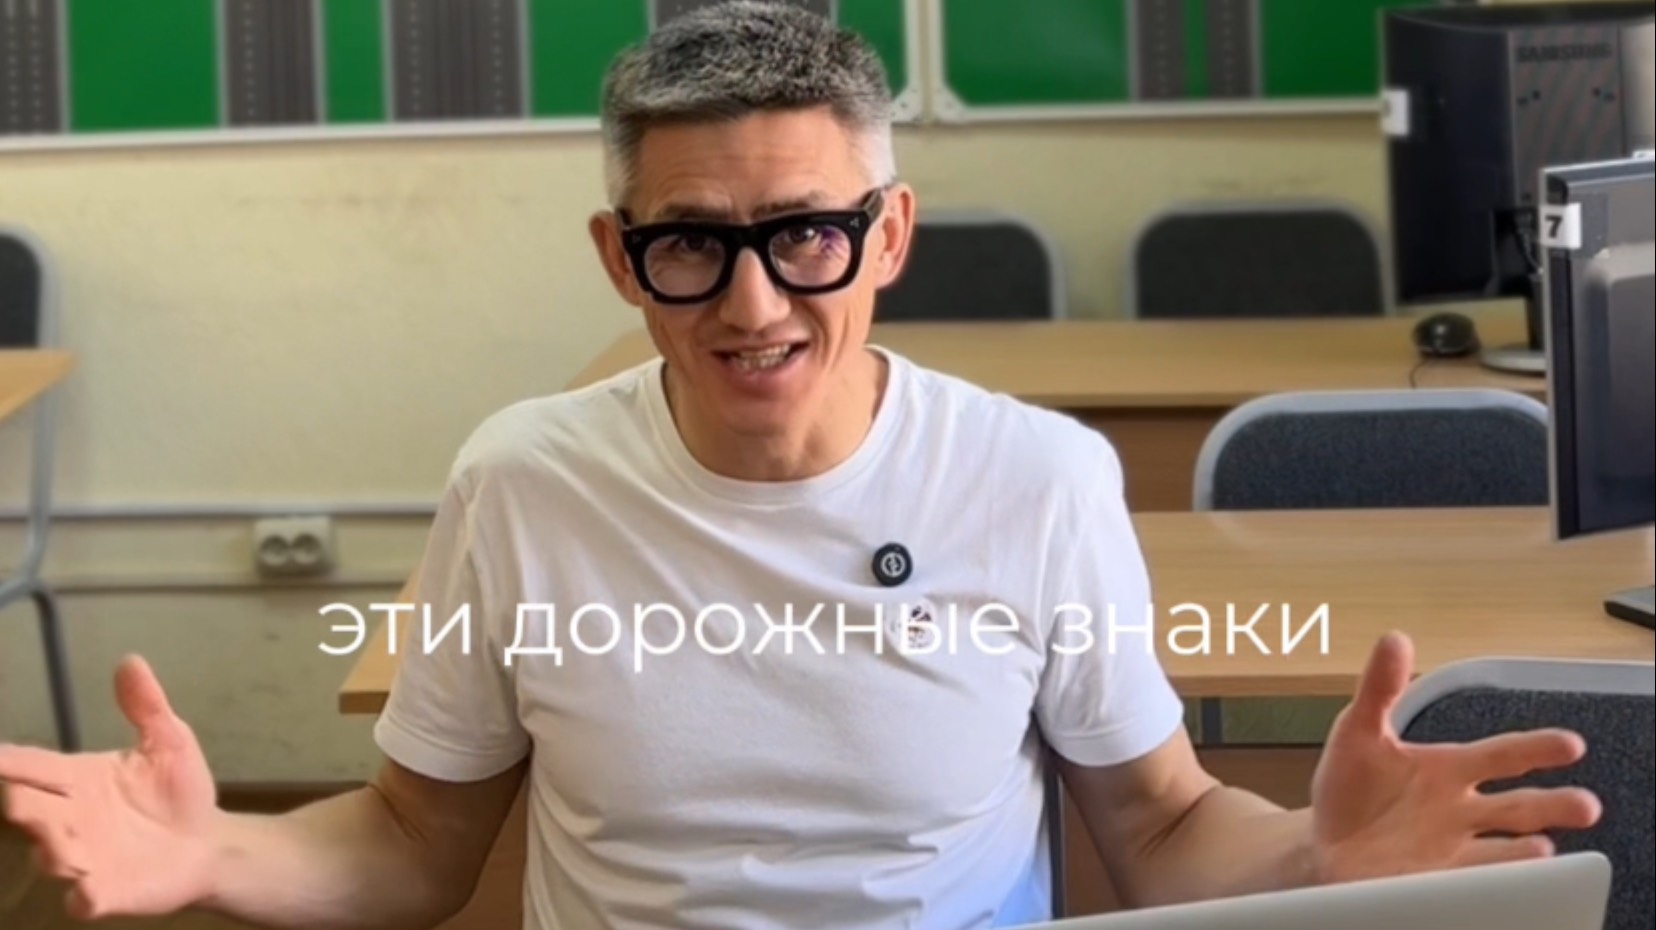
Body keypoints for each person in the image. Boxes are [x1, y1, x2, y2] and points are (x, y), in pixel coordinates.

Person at [0, 3, 1603, 929]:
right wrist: (217, 848)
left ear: (888, 235)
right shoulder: (524, 480)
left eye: (807, 236)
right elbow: (415, 841)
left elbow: (1164, 821)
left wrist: (1315, 852)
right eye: (692, 244)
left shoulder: (1038, 479)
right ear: (620, 257)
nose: (755, 303)